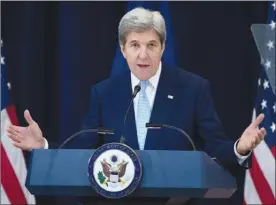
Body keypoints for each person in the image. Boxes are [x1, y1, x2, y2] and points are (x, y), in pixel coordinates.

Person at [7, 7, 266, 205]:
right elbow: (81, 151)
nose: (143, 55)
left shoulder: (193, 88)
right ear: (123, 49)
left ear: (163, 47)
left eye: (151, 45)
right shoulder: (104, 92)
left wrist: (239, 148)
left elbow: (215, 146)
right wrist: (43, 146)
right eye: (135, 45)